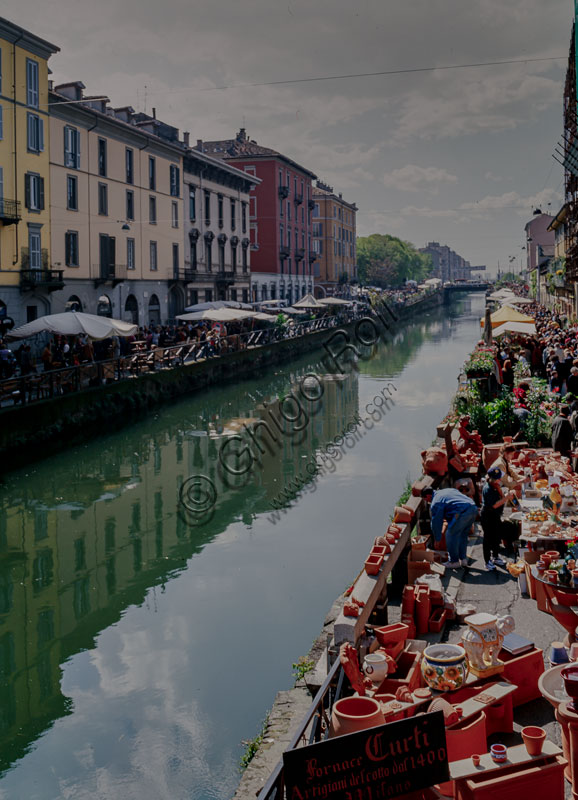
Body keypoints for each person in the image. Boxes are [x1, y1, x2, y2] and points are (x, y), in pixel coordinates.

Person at [421, 486, 478, 569]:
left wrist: (437, 539)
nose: (427, 501)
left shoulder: (436, 502)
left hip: (462, 512)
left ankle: (454, 561)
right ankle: (463, 560)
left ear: (428, 496)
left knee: (450, 535)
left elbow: (436, 523)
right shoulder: (447, 490)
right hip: (473, 508)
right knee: (463, 535)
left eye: (425, 499)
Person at [480, 468, 516, 570]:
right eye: (498, 478)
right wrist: (506, 498)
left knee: (497, 536)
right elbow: (494, 505)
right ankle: (487, 562)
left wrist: (505, 496)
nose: (500, 479)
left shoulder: (495, 486)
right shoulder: (488, 489)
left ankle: (495, 557)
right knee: (487, 539)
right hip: (488, 516)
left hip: (495, 516)